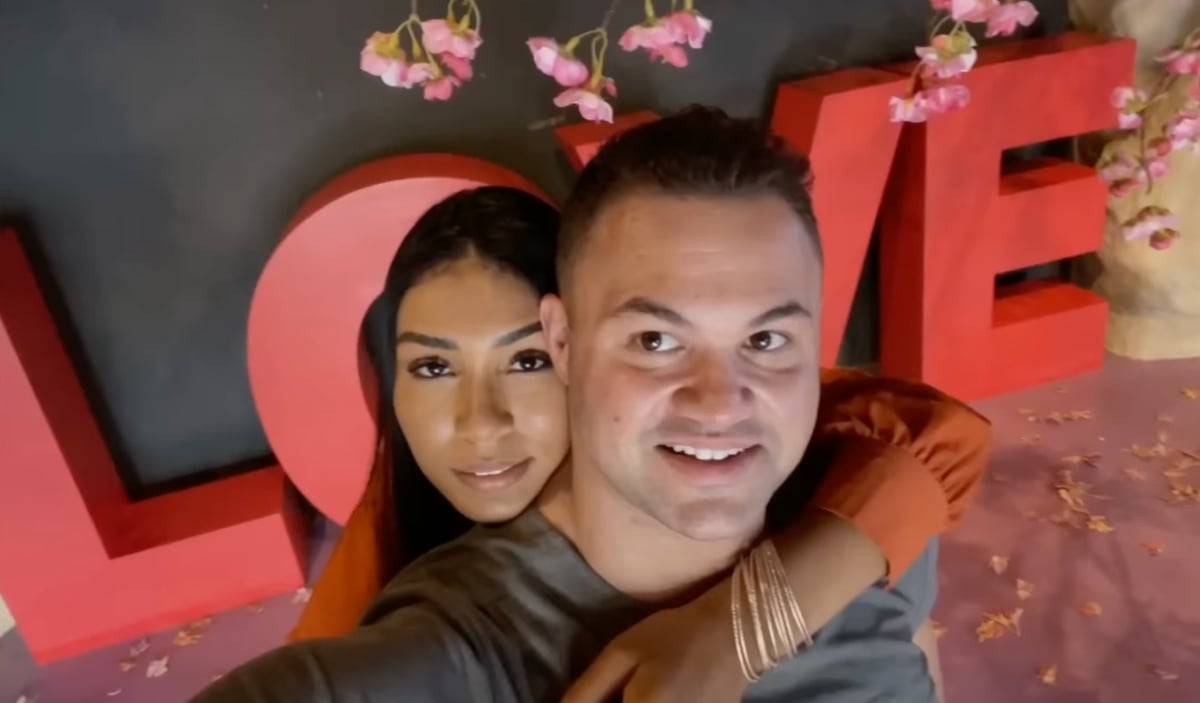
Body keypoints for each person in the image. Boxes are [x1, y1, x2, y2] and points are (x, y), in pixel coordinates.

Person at [194, 106, 988, 703]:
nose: (720, 401)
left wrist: (741, 631)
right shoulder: (456, 643)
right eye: (654, 340)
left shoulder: (865, 497)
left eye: (767, 340)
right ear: (569, 341)